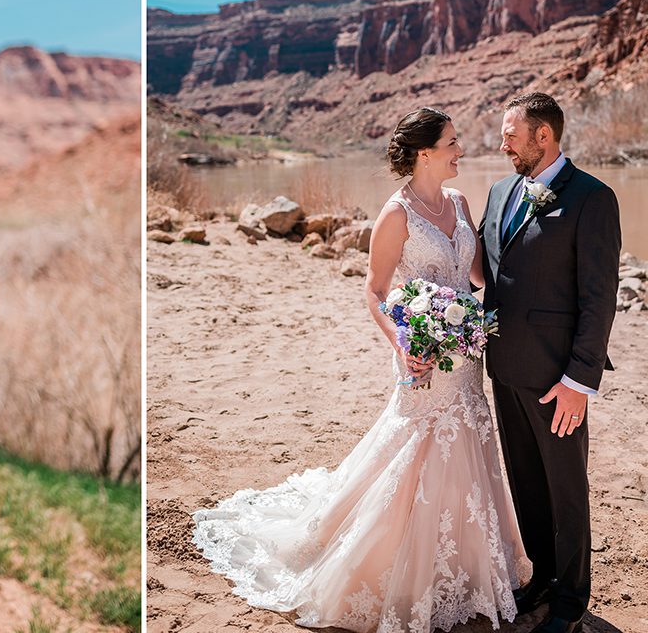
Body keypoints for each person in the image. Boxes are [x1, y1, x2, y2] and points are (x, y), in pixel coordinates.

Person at [192, 108, 528, 632]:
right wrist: (402, 340)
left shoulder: (461, 203)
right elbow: (374, 290)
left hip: (465, 353)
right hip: (420, 354)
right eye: (452, 142)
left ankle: (467, 566)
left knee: (469, 445)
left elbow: (479, 274)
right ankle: (396, 571)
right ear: (425, 153)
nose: (461, 149)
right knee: (416, 450)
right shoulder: (396, 214)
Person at [479, 92, 619, 633]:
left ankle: (570, 601)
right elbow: (491, 273)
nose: (503, 142)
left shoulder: (591, 198)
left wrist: (579, 381)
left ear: (544, 136)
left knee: (566, 490)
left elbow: (599, 297)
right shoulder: (497, 191)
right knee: (526, 484)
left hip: (557, 377)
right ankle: (540, 577)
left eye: (512, 133)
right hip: (504, 369)